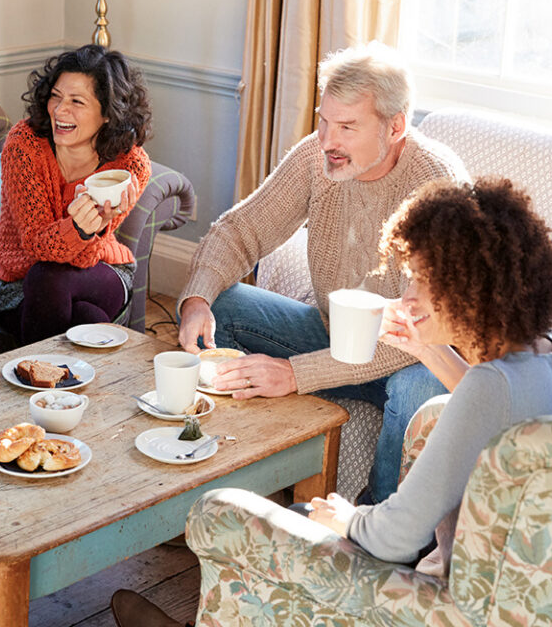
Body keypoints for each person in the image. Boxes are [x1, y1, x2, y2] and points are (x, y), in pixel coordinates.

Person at [110, 177, 552, 626]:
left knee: (229, 511)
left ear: (470, 291)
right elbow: (490, 400)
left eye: (421, 281)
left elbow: (394, 538)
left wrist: (348, 516)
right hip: (522, 599)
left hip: (451, 607)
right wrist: (427, 349)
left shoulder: (488, 390)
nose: (406, 296)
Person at [177, 41, 467, 503]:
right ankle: (223, 485)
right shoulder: (317, 156)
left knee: (421, 390)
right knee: (224, 306)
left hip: (410, 356)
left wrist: (294, 373)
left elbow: (421, 334)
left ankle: (374, 534)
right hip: (334, 336)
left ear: (396, 126)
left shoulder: (437, 185)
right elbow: (241, 230)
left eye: (348, 127)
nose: (329, 141)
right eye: (324, 121)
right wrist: (197, 300)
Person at [0, 44, 152, 342]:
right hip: (14, 280)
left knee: (51, 281)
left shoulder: (128, 165)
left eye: (76, 102)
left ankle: (39, 381)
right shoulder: (25, 145)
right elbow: (37, 246)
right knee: (85, 316)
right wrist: (82, 229)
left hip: (101, 271)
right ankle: (67, 383)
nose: (60, 110)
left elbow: (86, 259)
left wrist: (99, 227)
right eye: (56, 97)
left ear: (108, 113)